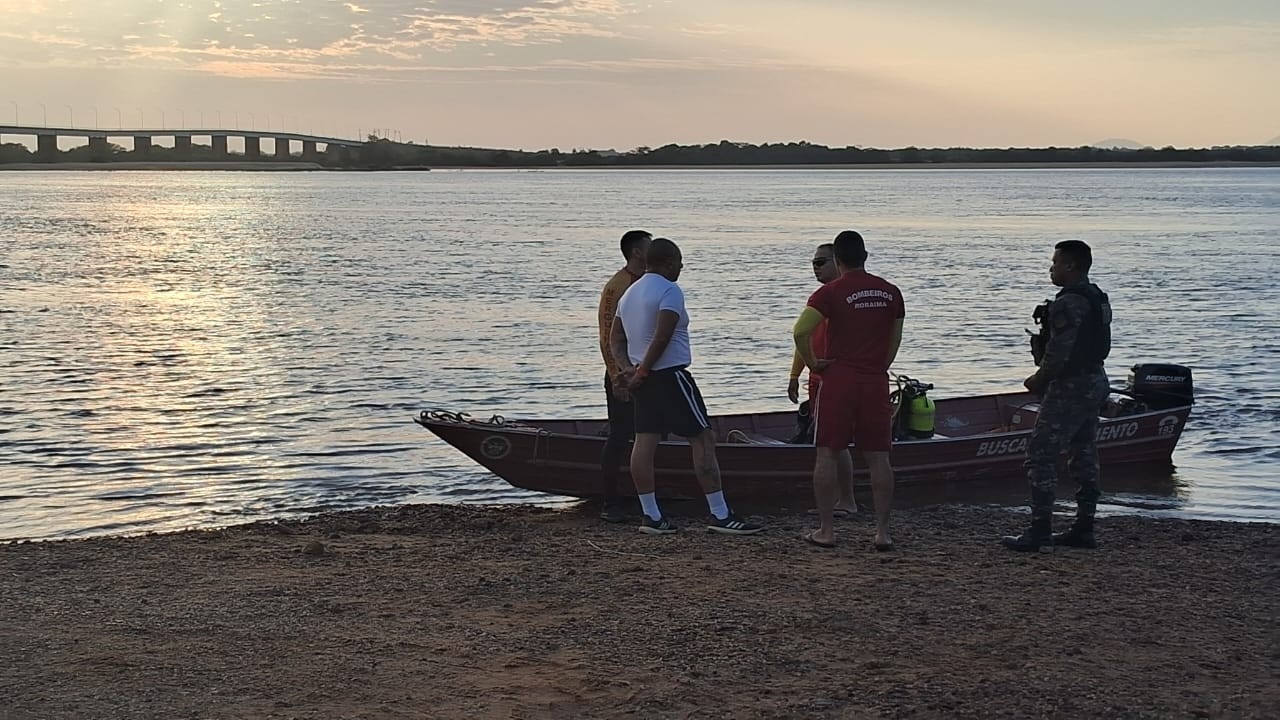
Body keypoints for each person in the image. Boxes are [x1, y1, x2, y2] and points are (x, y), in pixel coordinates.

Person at [608, 238, 763, 536]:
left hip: (645, 381)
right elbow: (662, 336)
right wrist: (641, 370)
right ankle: (720, 513)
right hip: (670, 377)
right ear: (668, 262)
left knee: (644, 442)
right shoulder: (669, 290)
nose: (682, 268)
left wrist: (627, 369)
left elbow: (616, 339)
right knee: (702, 438)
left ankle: (651, 515)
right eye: (680, 263)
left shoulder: (629, 293)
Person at [793, 230, 903, 550]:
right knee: (879, 457)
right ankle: (882, 532)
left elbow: (800, 330)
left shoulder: (830, 293)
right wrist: (880, 365)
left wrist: (813, 363)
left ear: (838, 261)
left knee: (827, 451)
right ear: (865, 256)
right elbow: (894, 340)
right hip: (874, 380)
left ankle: (826, 530)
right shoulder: (891, 292)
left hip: (838, 379)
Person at [1002, 240, 1112, 552]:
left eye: (1055, 263)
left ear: (1071, 266)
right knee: (1084, 451)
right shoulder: (1097, 297)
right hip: (1095, 380)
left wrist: (1038, 379)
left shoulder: (1069, 302)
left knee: (1040, 454)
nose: (1051, 269)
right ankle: (1084, 526)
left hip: (1069, 386)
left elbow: (1059, 352)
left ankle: (1040, 530)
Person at [787, 242, 858, 516]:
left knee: (834, 442)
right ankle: (838, 501)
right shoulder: (819, 297)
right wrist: (795, 375)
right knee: (829, 440)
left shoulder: (843, 298)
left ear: (838, 262)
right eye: (813, 263)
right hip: (817, 378)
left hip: (834, 378)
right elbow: (804, 338)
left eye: (821, 262)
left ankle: (846, 501)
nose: (815, 267)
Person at [596, 230, 652, 523]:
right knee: (620, 435)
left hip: (648, 372)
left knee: (648, 433)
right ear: (637, 252)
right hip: (624, 375)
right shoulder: (618, 286)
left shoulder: (649, 283)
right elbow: (607, 336)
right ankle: (611, 502)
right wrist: (617, 375)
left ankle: (644, 496)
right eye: (649, 246)